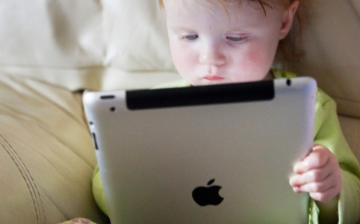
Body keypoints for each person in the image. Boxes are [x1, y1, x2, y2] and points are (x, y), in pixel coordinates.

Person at [66, 0, 360, 223]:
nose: (210, 59)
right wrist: (126, 176)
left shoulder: (309, 106)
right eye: (188, 37)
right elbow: (104, 184)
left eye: (235, 38)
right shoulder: (150, 109)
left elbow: (353, 202)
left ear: (284, 21)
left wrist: (331, 190)